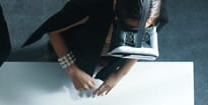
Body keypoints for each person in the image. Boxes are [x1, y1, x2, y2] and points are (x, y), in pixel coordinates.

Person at [22, 0, 168, 97]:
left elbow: (142, 46)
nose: (135, 36)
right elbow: (54, 31)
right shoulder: (89, 5)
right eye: (129, 28)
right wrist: (71, 68)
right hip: (77, 47)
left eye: (146, 29)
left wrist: (119, 75)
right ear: (115, 5)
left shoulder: (156, 11)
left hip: (110, 56)